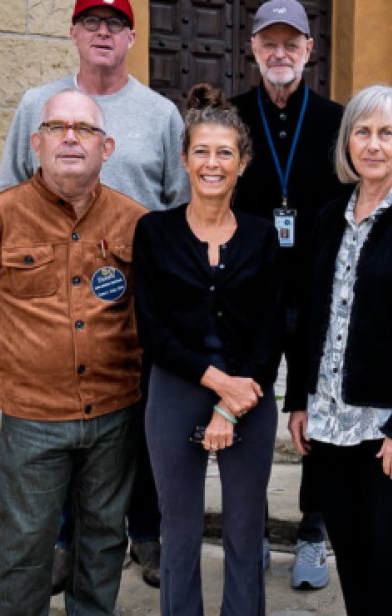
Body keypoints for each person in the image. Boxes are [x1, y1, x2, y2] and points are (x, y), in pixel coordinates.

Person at [0, 0, 188, 588]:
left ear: (132, 36)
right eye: (92, 23)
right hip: (54, 302)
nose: (103, 34)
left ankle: (148, 537)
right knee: (63, 424)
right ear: (74, 32)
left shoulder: (160, 114)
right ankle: (60, 542)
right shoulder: (38, 104)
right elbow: (7, 196)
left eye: (115, 25)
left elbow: (178, 206)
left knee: (142, 425)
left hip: (139, 302)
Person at [0, 89, 146, 615]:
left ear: (106, 149)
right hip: (33, 417)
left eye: (84, 129)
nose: (70, 138)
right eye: (57, 128)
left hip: (113, 412)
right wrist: (20, 358)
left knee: (104, 539)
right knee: (25, 546)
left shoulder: (135, 222)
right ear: (36, 143)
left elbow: (148, 313)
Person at [285, 85, 392, 616]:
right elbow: (309, 318)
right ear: (348, 143)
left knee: (385, 555)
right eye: (363, 132)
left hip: (388, 427)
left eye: (387, 133)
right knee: (350, 548)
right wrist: (298, 400)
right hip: (330, 417)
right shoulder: (326, 217)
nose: (374, 144)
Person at [132, 83, 283, 616]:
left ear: (243, 163)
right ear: (184, 158)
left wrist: (231, 401)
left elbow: (271, 329)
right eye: (201, 150)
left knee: (245, 530)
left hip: (251, 390)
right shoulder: (154, 232)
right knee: (179, 530)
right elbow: (153, 330)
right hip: (176, 390)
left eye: (225, 152)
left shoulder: (264, 237)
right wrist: (217, 385)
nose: (212, 163)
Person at [230, 0, 349, 589]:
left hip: (319, 291)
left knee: (318, 417)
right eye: (268, 43)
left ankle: (312, 533)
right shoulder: (231, 118)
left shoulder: (337, 120)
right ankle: (246, 535)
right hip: (248, 292)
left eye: (291, 43)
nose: (280, 53)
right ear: (253, 49)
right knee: (245, 406)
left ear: (308, 50)